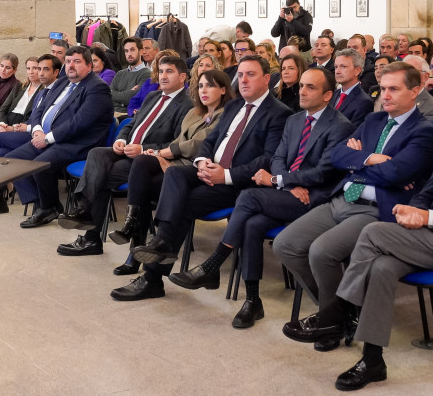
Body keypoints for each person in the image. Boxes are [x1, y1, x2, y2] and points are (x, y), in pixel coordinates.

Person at [283, 88, 433, 391]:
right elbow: (431, 189)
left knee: (372, 231)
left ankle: (336, 313)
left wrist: (427, 218)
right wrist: (416, 208)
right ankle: (373, 360)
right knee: (383, 267)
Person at [274, 62, 433, 351]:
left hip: (376, 210)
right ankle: (339, 314)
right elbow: (339, 155)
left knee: (322, 251)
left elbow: (397, 173)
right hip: (342, 199)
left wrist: (358, 159)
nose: (385, 95)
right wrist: (370, 159)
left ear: (416, 91)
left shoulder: (424, 131)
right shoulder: (375, 121)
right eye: (383, 88)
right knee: (285, 244)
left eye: (394, 89)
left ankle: (329, 321)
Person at [168, 68, 353, 328]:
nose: (301, 91)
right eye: (301, 86)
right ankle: (253, 301)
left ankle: (214, 264)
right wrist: (282, 181)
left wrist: (279, 181)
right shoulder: (296, 120)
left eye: (311, 87)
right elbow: (277, 157)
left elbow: (323, 172)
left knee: (248, 197)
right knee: (252, 224)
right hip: (287, 192)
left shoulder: (340, 126)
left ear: (328, 95)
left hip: (313, 198)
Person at [110, 56, 292, 301]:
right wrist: (202, 161)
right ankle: (160, 246)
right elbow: (209, 141)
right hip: (208, 170)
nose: (244, 80)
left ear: (267, 79)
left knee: (182, 203)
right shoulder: (234, 107)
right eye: (242, 74)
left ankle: (152, 277)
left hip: (237, 183)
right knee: (174, 173)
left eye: (252, 74)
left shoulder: (279, 113)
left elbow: (267, 160)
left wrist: (224, 175)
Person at [56, 56, 193, 255]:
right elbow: (130, 123)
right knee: (96, 154)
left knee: (101, 176)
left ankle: (91, 235)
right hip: (126, 149)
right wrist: (120, 139)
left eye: (169, 72)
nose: (163, 76)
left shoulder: (186, 105)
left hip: (146, 159)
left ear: (182, 77)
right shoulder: (153, 96)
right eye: (161, 71)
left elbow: (176, 143)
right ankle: (85, 213)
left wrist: (142, 147)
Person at [109, 69, 234, 275]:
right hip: (178, 163)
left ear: (223, 89)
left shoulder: (227, 114)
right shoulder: (195, 112)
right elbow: (179, 139)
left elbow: (197, 143)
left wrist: (163, 153)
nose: (203, 90)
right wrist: (158, 154)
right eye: (201, 86)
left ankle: (136, 251)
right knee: (142, 163)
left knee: (144, 187)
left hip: (193, 168)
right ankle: (133, 229)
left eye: (209, 86)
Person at [13, 46, 114, 227]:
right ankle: (43, 204)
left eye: (77, 62)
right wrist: (36, 130)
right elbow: (39, 110)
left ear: (89, 66)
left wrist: (47, 138)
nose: (70, 66)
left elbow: (79, 123)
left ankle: (47, 207)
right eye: (68, 62)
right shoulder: (61, 82)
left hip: (77, 143)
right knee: (14, 160)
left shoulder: (97, 88)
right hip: (48, 137)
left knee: (39, 166)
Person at [0, 54, 60, 159]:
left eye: (35, 68)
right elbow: (3, 109)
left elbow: (33, 117)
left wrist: (13, 128)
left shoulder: (43, 91)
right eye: (28, 68)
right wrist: (1, 124)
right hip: (8, 123)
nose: (31, 71)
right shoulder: (19, 86)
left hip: (24, 127)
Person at [127, 49, 180, 116]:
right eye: (161, 63)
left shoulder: (180, 86)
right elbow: (134, 100)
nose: (163, 66)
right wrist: (135, 111)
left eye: (167, 63)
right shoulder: (149, 82)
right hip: (138, 117)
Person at [331, 49, 373, 126]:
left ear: (357, 70)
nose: (337, 71)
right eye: (336, 67)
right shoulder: (333, 94)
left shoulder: (364, 102)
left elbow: (353, 132)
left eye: (343, 66)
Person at [110, 37, 150, 114]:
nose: (129, 54)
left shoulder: (147, 74)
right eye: (126, 51)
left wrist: (114, 94)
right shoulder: (119, 74)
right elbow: (107, 95)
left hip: (129, 115)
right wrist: (126, 95)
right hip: (112, 112)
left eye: (132, 50)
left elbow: (132, 98)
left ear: (141, 51)